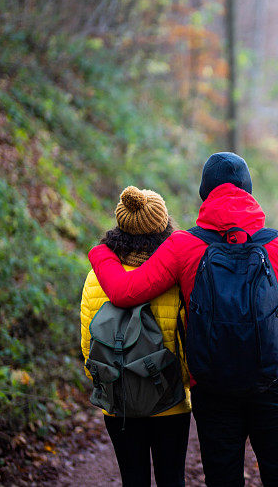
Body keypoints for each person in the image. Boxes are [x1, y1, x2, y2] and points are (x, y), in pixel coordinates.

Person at [87, 152, 278, 487]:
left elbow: (125, 292)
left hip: (213, 385)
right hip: (275, 380)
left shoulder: (184, 245)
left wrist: (99, 252)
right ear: (250, 192)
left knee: (223, 479)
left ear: (203, 193)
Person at [80, 186, 191, 487]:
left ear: (120, 228)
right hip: (171, 400)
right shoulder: (176, 275)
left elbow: (88, 344)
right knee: (172, 479)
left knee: (133, 479)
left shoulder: (96, 277)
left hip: (120, 399)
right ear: (164, 224)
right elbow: (188, 339)